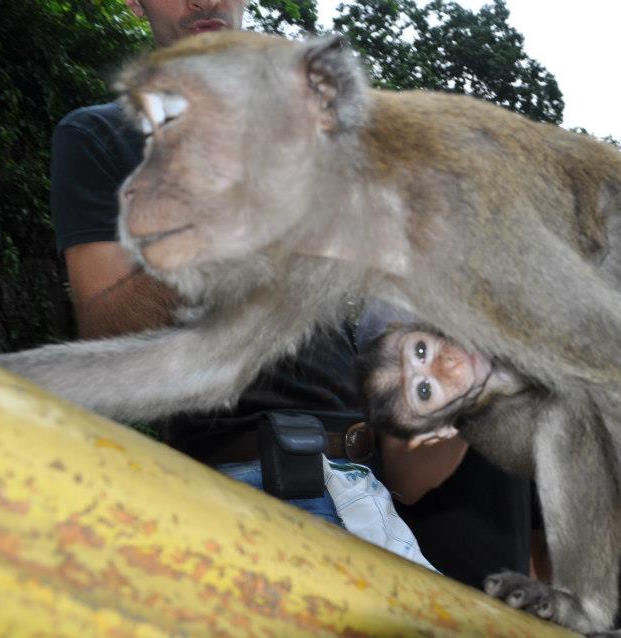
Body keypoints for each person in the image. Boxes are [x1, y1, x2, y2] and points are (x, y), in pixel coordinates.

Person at [51, 0, 532, 587]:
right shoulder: (100, 135)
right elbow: (105, 331)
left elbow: (410, 471)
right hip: (246, 490)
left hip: (371, 499)